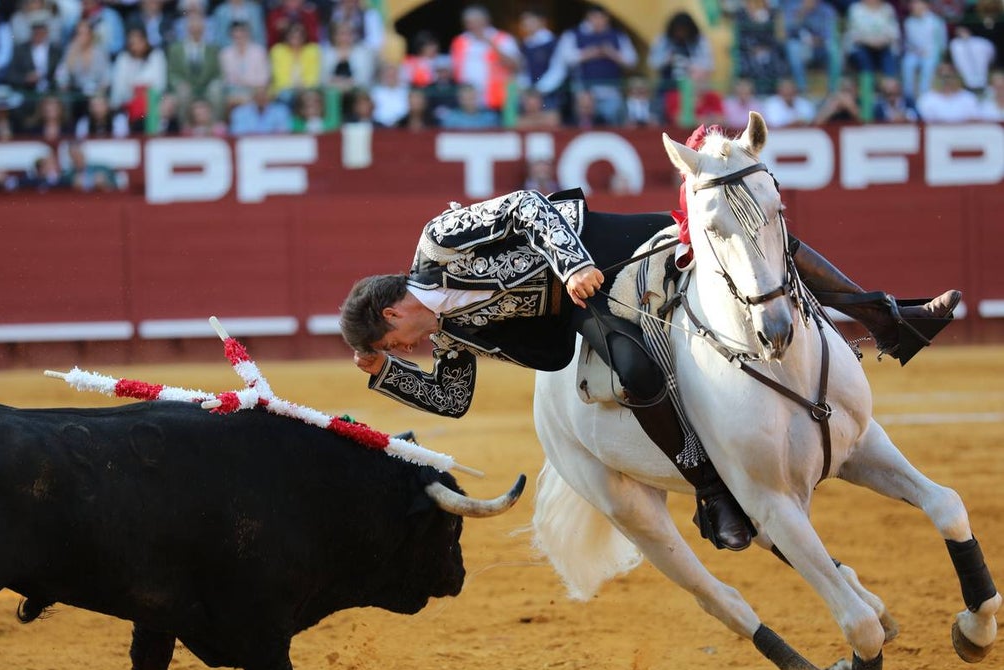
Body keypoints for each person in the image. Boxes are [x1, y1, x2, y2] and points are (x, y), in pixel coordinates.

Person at [339, 161, 960, 551]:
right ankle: (713, 492)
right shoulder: (447, 334)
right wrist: (387, 375)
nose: (411, 351)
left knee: (741, 244)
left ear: (392, 313)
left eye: (397, 345)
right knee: (635, 370)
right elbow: (453, 399)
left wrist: (574, 261)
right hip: (572, 308)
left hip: (589, 245)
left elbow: (527, 206)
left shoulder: (438, 243)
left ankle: (887, 318)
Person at [449, 4, 520, 111]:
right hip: (469, 104)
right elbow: (453, 70)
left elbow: (515, 65)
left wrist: (493, 46)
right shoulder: (459, 41)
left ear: (486, 20)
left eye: (476, 21)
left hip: (499, 101)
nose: (473, 25)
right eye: (469, 22)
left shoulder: (503, 38)